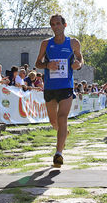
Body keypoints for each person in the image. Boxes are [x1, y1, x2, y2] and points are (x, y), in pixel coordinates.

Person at [35, 14, 83, 168]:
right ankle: (64, 133)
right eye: (53, 24)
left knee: (62, 117)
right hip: (50, 87)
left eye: (58, 24)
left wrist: (78, 64)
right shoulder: (45, 44)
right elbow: (37, 63)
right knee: (54, 121)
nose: (55, 27)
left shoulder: (73, 43)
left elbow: (80, 59)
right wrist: (47, 66)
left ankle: (58, 154)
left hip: (66, 86)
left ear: (65, 25)